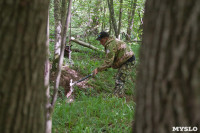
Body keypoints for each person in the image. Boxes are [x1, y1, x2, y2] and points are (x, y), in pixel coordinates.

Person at [93, 31, 135, 97]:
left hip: (128, 60)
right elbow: (111, 60)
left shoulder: (110, 45)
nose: (100, 43)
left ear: (106, 38)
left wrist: (98, 69)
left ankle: (116, 98)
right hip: (125, 59)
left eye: (101, 40)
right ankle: (118, 94)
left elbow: (108, 62)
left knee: (120, 79)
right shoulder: (111, 41)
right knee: (119, 77)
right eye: (99, 41)